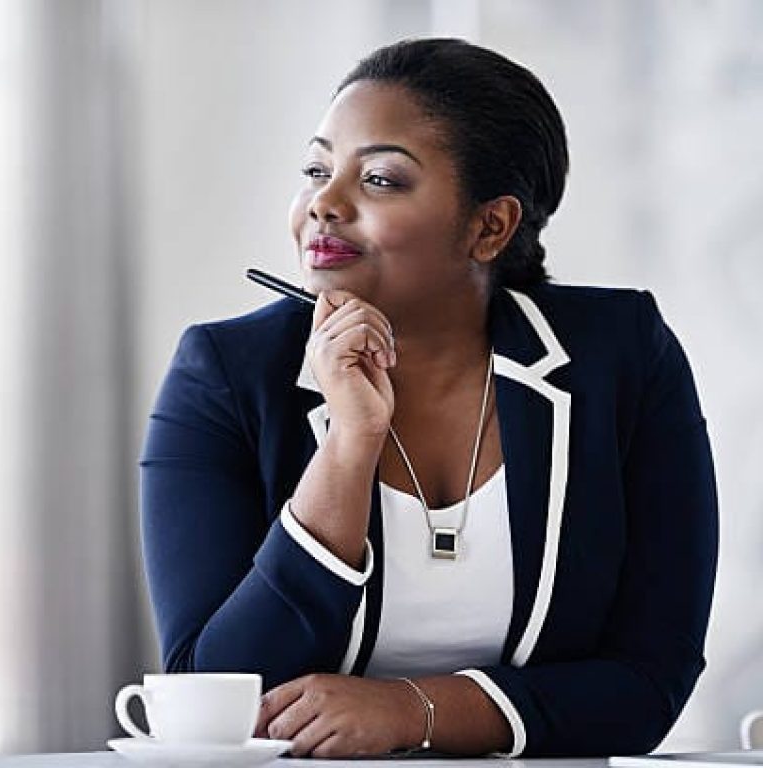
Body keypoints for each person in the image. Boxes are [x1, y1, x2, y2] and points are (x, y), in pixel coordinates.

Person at [140, 38, 718, 758]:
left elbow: (648, 682)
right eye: (318, 169)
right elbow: (213, 688)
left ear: (490, 227)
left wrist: (415, 711)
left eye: (379, 179)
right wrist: (350, 446)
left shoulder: (621, 357)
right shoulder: (224, 374)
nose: (324, 203)